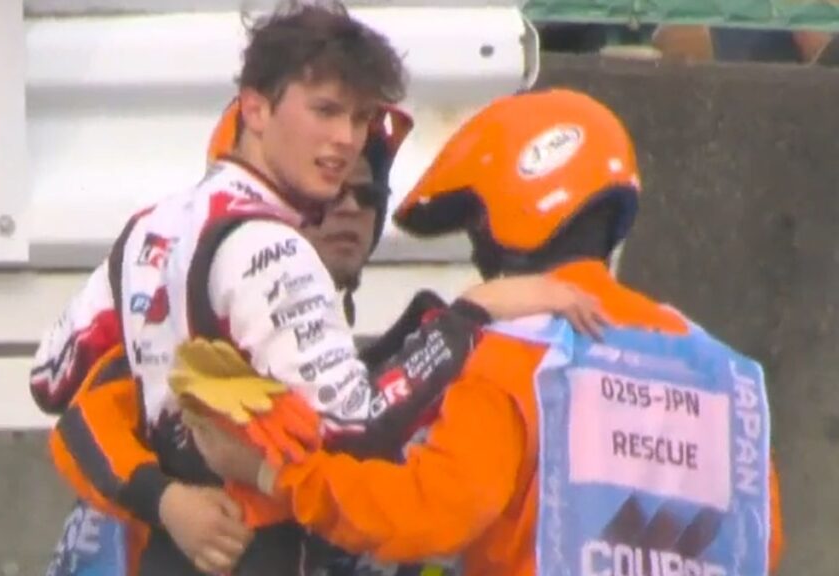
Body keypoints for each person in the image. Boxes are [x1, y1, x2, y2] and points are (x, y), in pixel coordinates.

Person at [30, 2, 607, 573]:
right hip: (254, 547)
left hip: (172, 550)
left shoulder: (149, 227)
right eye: (325, 110)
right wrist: (469, 317)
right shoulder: (272, 250)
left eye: (359, 118)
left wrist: (164, 486)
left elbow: (53, 379)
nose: (344, 139)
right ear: (254, 108)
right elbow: (359, 429)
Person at [186, 87, 787, 575]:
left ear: (507, 217)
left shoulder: (518, 357)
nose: (477, 249)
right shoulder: (726, 372)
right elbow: (763, 544)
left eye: (475, 224)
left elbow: (424, 514)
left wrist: (269, 473)